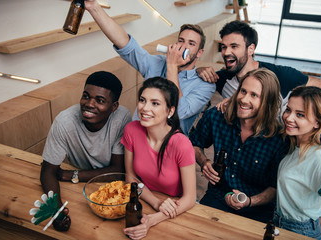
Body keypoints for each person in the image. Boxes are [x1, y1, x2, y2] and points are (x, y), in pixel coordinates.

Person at [85, 0, 216, 135]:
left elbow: (180, 111)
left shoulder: (205, 85)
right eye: (181, 41)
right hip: (136, 140)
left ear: (200, 53)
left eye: (191, 43)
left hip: (169, 149)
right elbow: (127, 45)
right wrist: (94, 7)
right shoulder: (158, 63)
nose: (183, 46)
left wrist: (172, 66)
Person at [189, 68, 289, 223]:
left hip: (258, 207)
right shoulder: (216, 116)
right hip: (218, 196)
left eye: (254, 95)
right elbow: (194, 143)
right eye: (243, 91)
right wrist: (204, 162)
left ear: (267, 102)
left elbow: (275, 188)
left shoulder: (279, 139)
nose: (244, 99)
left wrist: (249, 201)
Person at [40, 71, 131, 231]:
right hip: (76, 190)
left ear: (114, 107)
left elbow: (118, 171)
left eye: (100, 100)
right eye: (86, 96)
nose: (89, 104)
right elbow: (47, 171)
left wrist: (71, 175)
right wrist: (58, 211)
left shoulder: (121, 118)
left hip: (109, 190)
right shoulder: (64, 121)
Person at [196, 20, 321, 113]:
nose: (226, 52)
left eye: (234, 46)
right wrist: (199, 69)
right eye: (224, 47)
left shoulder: (280, 75)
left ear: (250, 49)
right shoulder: (223, 78)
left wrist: (318, 129)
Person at [121, 77, 196, 240]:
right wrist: (156, 203)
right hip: (147, 200)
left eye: (155, 103)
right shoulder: (131, 130)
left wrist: (154, 219)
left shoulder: (182, 144)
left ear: (170, 111)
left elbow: (190, 198)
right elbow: (130, 177)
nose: (145, 108)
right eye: (142, 100)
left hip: (176, 208)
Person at [274, 86, 321, 239]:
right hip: (279, 224)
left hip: (301, 232)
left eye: (300, 115)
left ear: (317, 122)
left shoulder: (319, 158)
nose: (289, 118)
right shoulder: (294, 144)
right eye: (288, 110)